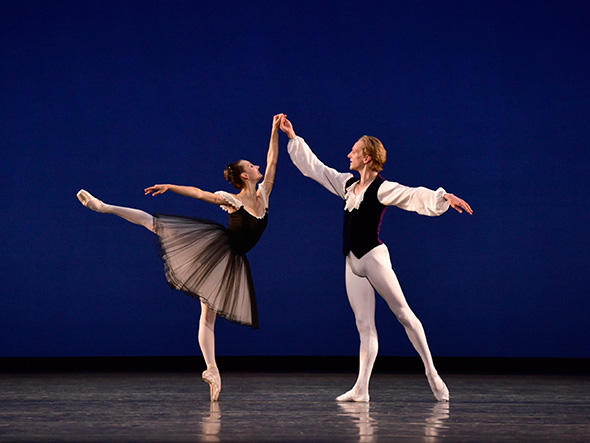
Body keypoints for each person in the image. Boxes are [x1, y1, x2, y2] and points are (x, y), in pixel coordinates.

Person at [76, 114, 284, 401]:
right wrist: (170, 186)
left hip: (231, 261)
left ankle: (211, 371)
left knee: (208, 316)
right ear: (244, 175)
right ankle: (104, 207)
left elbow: (272, 161)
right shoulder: (231, 199)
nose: (258, 166)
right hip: (215, 253)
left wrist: (274, 130)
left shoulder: (265, 194)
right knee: (156, 224)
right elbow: (200, 194)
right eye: (252, 165)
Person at [280, 116, 473, 402]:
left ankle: (432, 372)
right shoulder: (346, 184)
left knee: (403, 314)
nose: (349, 154)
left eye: (354, 151)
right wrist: (293, 137)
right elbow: (317, 169)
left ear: (367, 158)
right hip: (352, 262)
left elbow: (412, 195)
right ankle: (361, 388)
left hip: (373, 258)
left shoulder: (381, 188)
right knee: (364, 326)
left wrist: (444, 197)